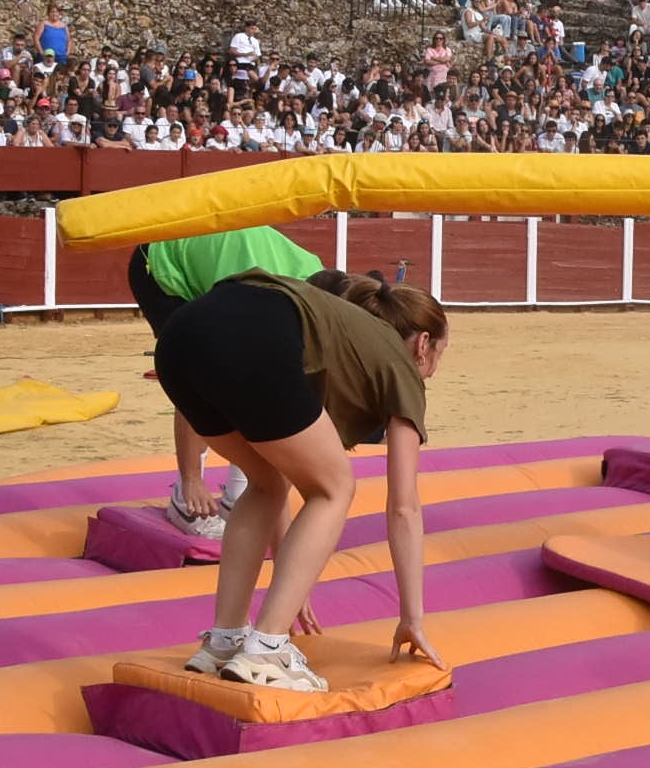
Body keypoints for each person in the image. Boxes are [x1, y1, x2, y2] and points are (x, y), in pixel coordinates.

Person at [153, 266, 447, 692]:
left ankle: (225, 639)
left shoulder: (335, 336)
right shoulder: (400, 366)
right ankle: (267, 649)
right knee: (336, 488)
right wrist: (412, 619)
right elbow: (404, 505)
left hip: (180, 341)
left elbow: (281, 483)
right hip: (250, 336)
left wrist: (291, 581)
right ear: (423, 345)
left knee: (265, 480)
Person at [128, 225, 327, 536]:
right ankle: (187, 489)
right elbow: (193, 377)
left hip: (230, 280)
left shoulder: (309, 281)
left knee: (258, 371)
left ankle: (239, 488)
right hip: (161, 268)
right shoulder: (267, 294)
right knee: (202, 367)